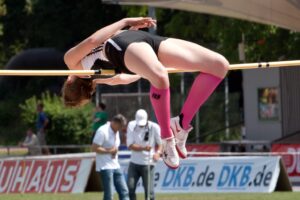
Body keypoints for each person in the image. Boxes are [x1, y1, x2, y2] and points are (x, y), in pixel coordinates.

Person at [62, 17, 229, 169]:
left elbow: (127, 77)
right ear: (69, 80)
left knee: (219, 66)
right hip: (124, 44)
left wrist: (144, 66)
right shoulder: (72, 63)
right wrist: (125, 21)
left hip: (133, 41)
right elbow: (93, 40)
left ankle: (181, 124)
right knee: (161, 76)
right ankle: (167, 137)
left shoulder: (102, 77)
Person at [91, 114, 129, 200]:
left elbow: (114, 146)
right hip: (105, 167)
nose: (121, 129)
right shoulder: (102, 131)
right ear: (115, 123)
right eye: (120, 127)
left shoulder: (116, 131)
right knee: (109, 194)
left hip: (115, 165)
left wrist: (114, 150)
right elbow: (94, 147)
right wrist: (109, 151)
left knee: (124, 191)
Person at [127, 109, 161, 200]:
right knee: (130, 188)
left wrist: (158, 153)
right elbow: (130, 145)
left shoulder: (154, 127)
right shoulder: (131, 125)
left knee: (149, 192)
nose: (141, 125)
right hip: (134, 163)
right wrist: (143, 148)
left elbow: (161, 143)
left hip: (148, 163)